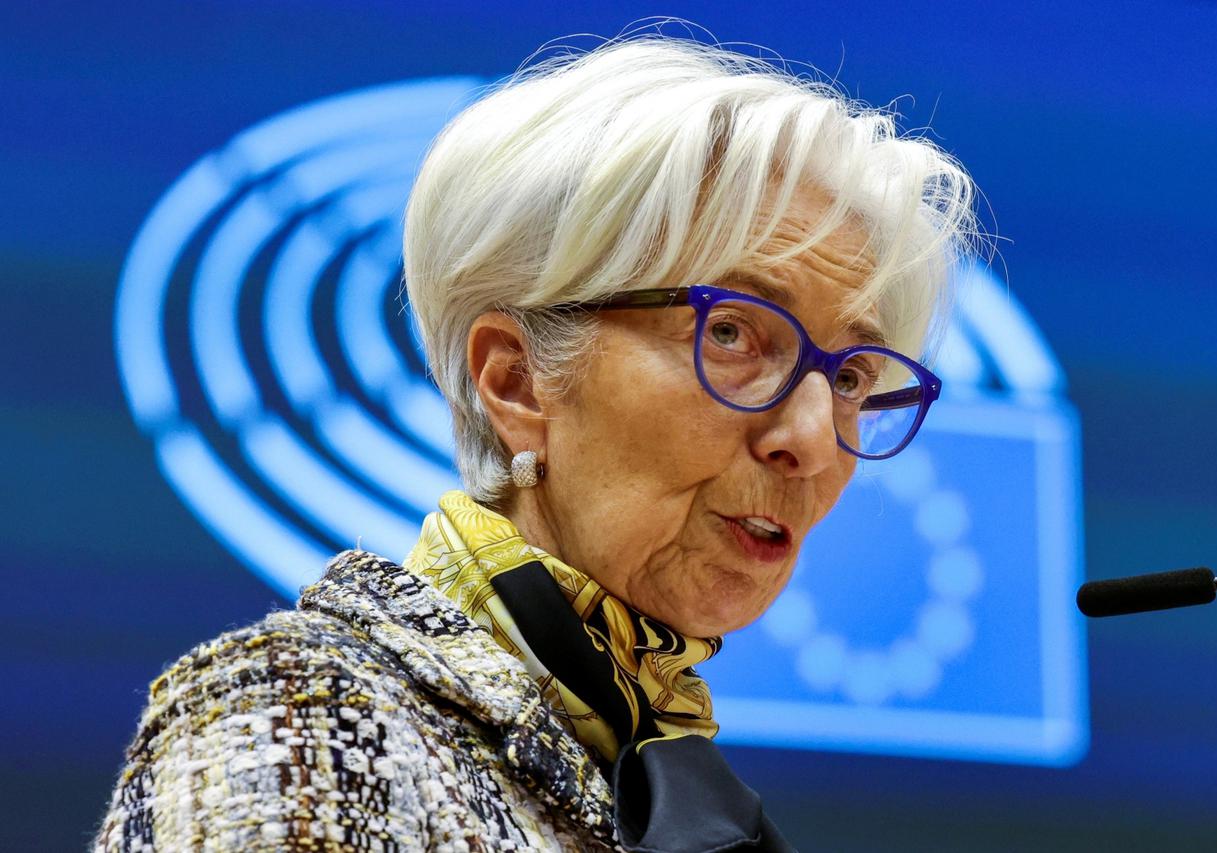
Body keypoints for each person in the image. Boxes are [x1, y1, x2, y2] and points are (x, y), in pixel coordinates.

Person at [95, 35, 978, 852]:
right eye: (736, 335)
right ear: (515, 382)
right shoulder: (302, 716)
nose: (814, 441)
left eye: (853, 378)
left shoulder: (667, 784)